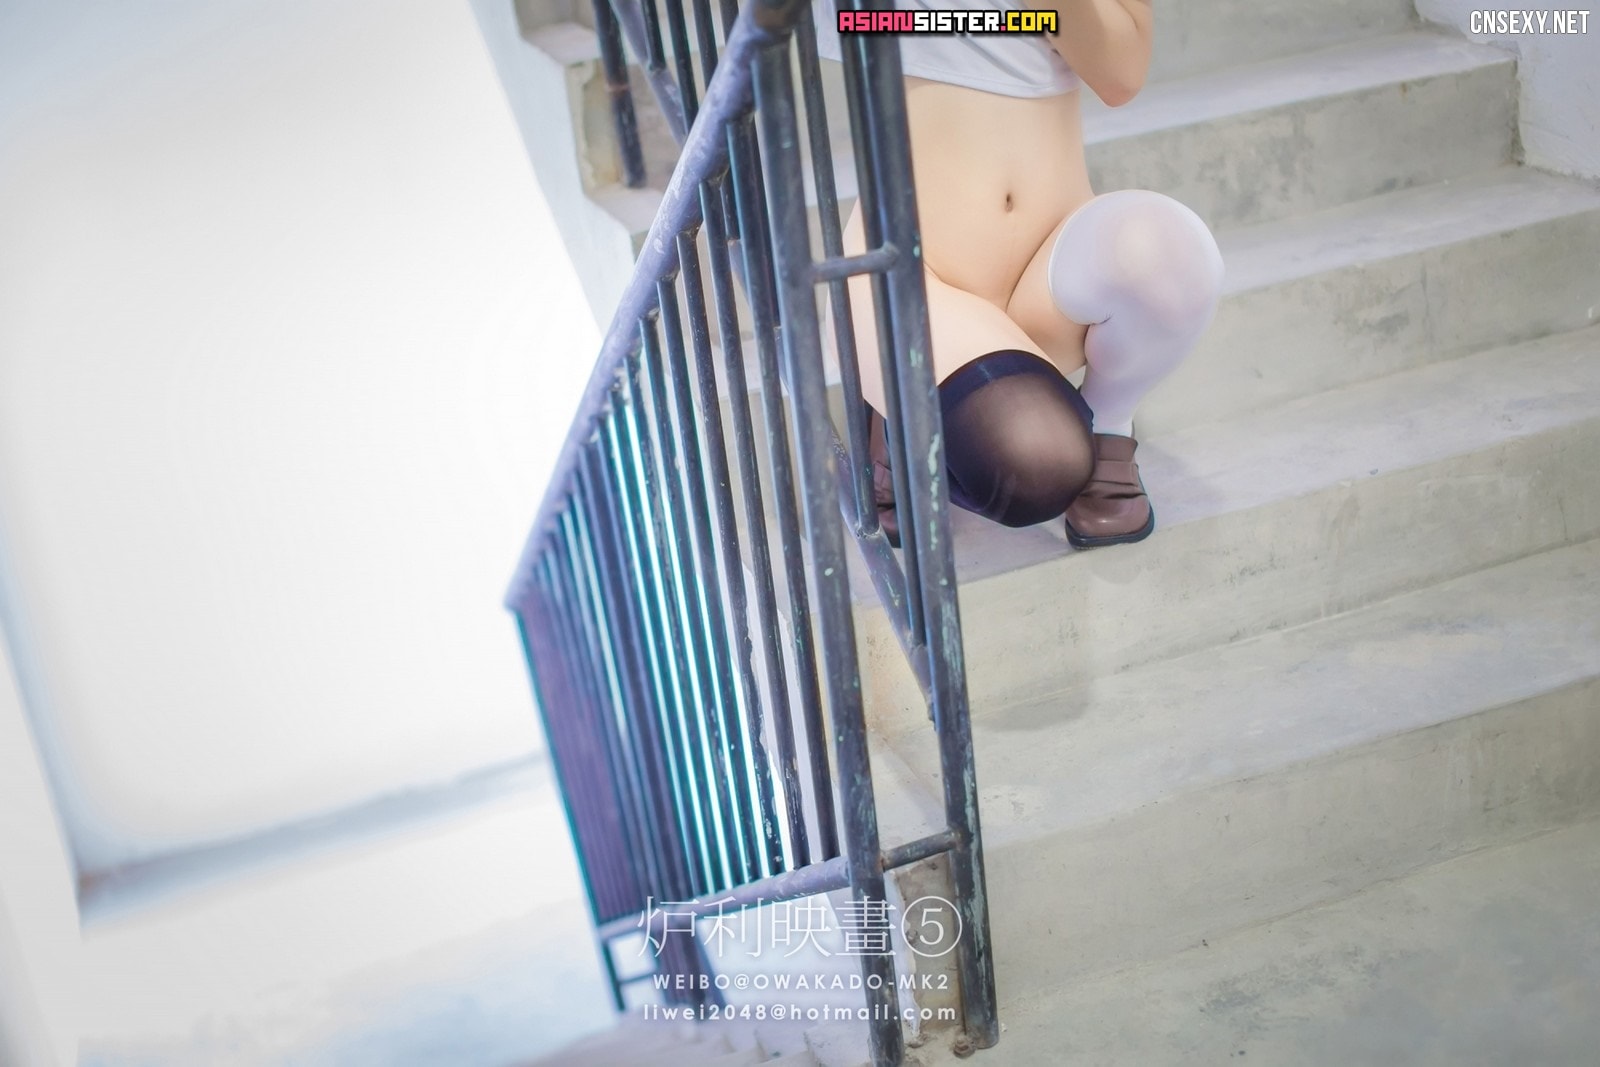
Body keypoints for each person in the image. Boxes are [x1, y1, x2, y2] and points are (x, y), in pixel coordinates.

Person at [816, 0, 1225, 548]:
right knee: (1036, 461)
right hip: (914, 273)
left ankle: (1107, 423)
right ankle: (908, 405)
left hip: (1049, 267)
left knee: (1172, 251)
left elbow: (1121, 73)